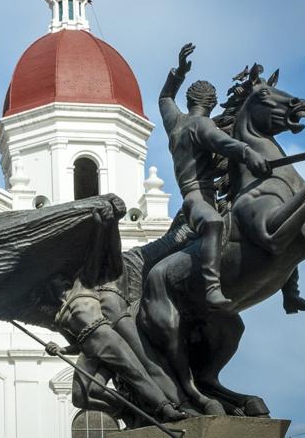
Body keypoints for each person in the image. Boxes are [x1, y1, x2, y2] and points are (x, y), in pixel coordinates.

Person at [159, 43, 270, 309]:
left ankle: (290, 289)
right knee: (213, 223)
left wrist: (179, 73)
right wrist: (249, 153)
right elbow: (223, 143)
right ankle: (211, 287)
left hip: (194, 194)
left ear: (188, 101)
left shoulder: (174, 120)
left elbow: (164, 98)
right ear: (211, 103)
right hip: (199, 198)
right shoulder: (202, 124)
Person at [43, 268, 187, 423]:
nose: (60, 278)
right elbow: (76, 344)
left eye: (60, 276)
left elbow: (91, 262)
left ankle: (166, 408)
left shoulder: (81, 286)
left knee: (135, 373)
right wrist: (60, 350)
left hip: (107, 338)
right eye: (55, 278)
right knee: (80, 397)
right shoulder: (58, 317)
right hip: (88, 351)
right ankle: (127, 410)